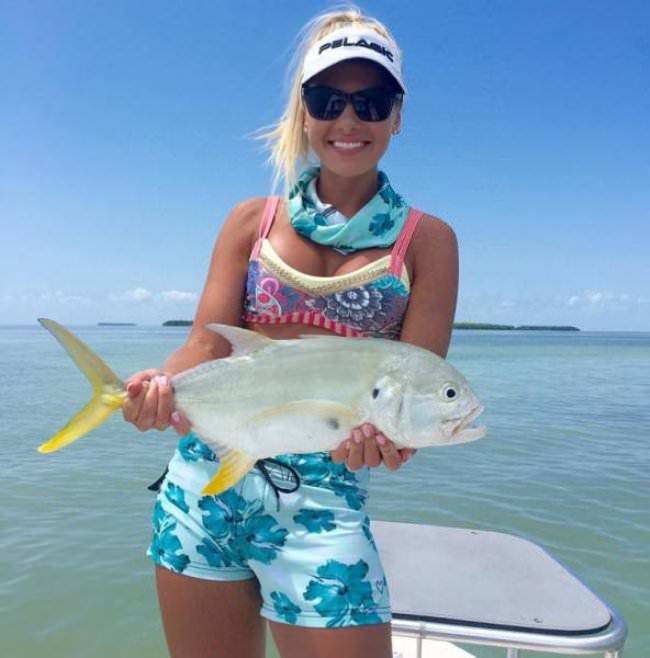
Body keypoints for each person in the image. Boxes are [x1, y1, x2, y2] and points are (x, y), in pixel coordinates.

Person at [123, 8, 458, 658]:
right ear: (304, 113)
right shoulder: (251, 221)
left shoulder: (429, 243)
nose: (349, 121)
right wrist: (156, 389)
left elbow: (417, 387)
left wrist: (393, 444)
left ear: (398, 114)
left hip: (325, 502)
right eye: (328, 100)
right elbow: (206, 345)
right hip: (203, 487)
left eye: (372, 102)